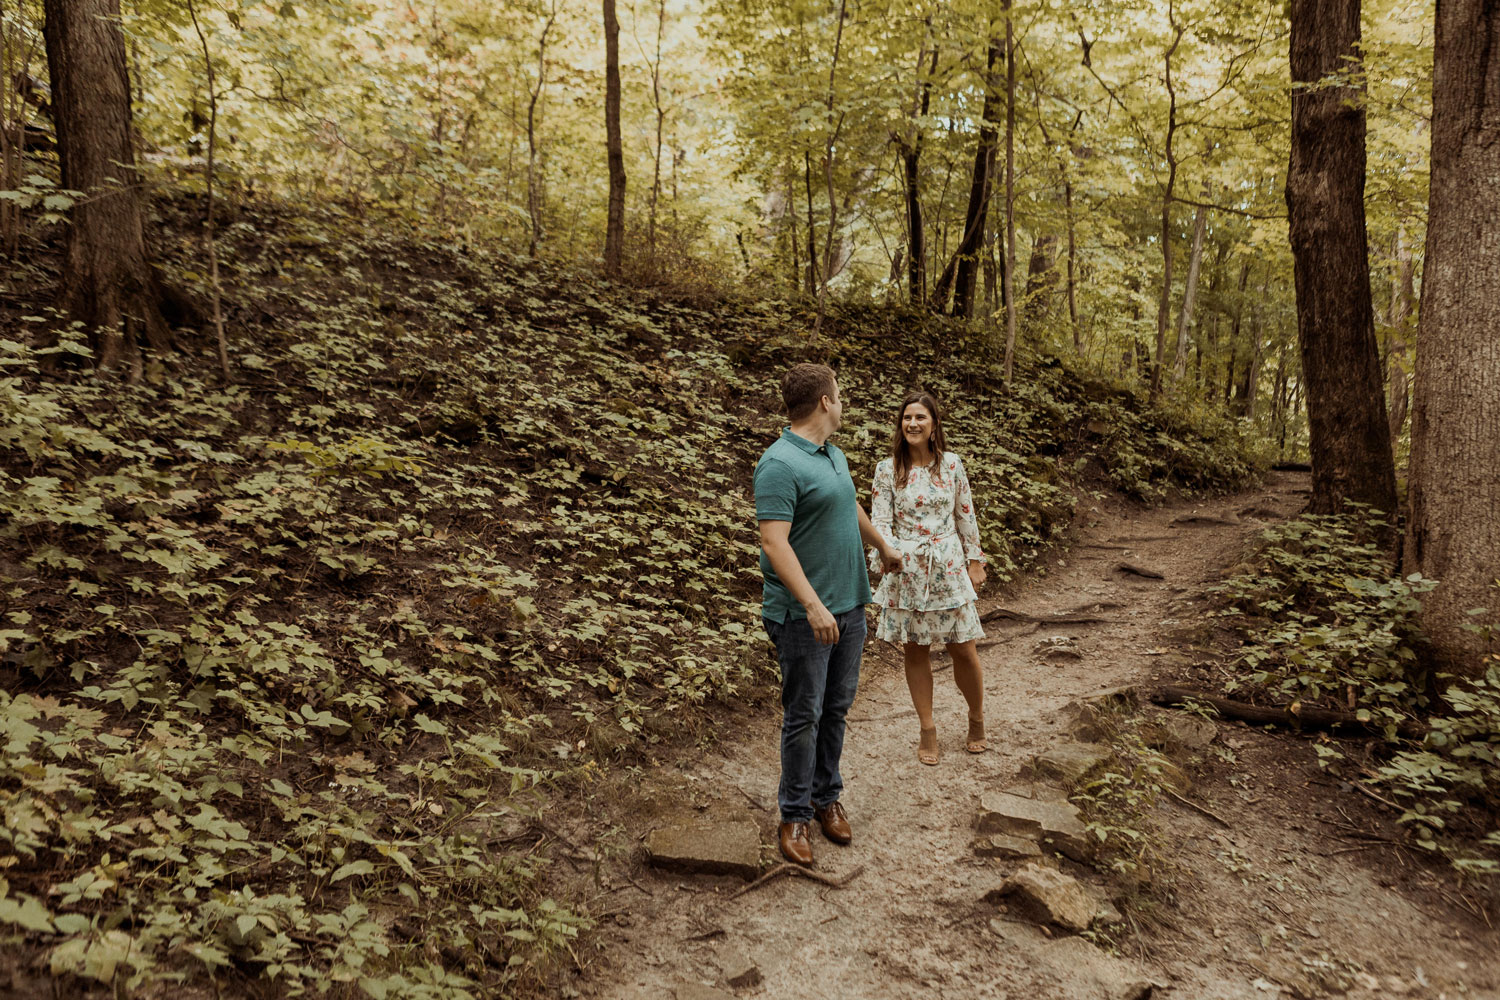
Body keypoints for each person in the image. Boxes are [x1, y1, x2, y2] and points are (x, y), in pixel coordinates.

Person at [755, 363, 902, 866]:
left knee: (835, 709)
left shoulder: (832, 455)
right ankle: (793, 815)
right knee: (804, 716)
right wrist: (812, 606)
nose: (842, 402)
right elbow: (774, 542)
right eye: (838, 395)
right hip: (804, 617)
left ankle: (824, 798)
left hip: (849, 606)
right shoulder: (779, 464)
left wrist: (882, 543)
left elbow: (849, 504)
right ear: (824, 402)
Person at [869, 390, 988, 765]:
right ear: (900, 424)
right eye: (907, 418)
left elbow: (965, 514)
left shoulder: (951, 465)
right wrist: (886, 555)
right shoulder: (887, 469)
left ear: (934, 424)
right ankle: (927, 728)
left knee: (963, 648)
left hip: (949, 567)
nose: (913, 424)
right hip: (906, 568)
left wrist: (975, 560)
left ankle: (976, 716)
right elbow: (881, 521)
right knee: (915, 650)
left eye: (920, 417)